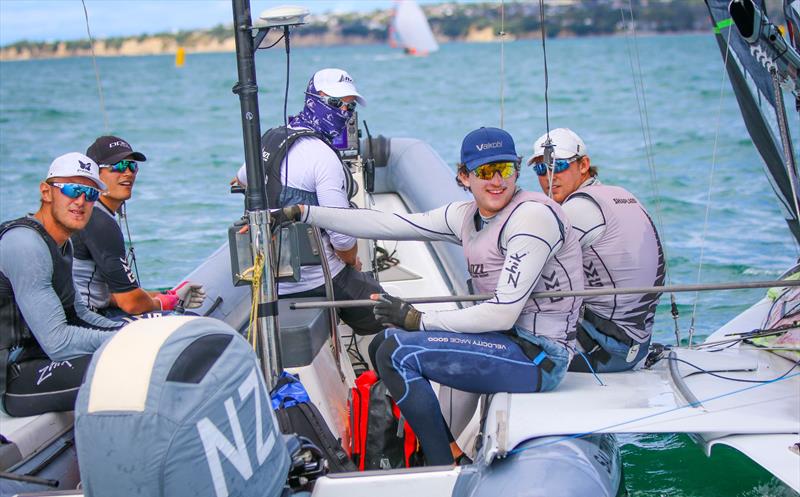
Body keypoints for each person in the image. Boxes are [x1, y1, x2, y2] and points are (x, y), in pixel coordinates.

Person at [273, 127, 584, 466]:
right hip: (506, 341)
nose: (496, 181)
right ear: (464, 176)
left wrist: (418, 320)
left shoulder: (532, 217)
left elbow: (502, 314)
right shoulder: (465, 217)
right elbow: (387, 223)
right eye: (484, 172)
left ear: (516, 170)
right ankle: (448, 449)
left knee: (396, 351)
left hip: (540, 357)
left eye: (505, 169)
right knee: (381, 345)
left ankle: (442, 465)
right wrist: (304, 213)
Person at [235, 68, 383, 336]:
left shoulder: (271, 138)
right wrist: (353, 262)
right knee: (388, 314)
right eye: (336, 103)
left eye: (349, 106)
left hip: (270, 280)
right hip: (319, 280)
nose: (344, 112)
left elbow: (243, 177)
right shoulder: (322, 156)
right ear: (313, 99)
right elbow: (342, 238)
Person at [531, 128, 665, 373]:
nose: (549, 177)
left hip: (604, 351)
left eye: (558, 165)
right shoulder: (622, 195)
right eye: (541, 169)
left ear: (584, 165)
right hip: (638, 347)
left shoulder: (576, 209)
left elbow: (525, 267)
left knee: (494, 336)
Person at [0, 153, 123, 417]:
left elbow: (79, 315)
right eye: (71, 189)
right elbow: (59, 342)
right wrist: (124, 341)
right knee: (130, 366)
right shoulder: (25, 244)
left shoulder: (60, 243)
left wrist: (135, 330)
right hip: (9, 380)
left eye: (90, 194)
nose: (81, 201)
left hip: (32, 359)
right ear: (46, 192)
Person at [71, 136, 206, 318]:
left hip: (85, 311)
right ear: (94, 175)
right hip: (85, 320)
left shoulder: (90, 211)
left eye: (132, 166)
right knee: (190, 321)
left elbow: (111, 296)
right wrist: (170, 302)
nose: (127, 173)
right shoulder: (99, 222)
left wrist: (168, 295)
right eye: (118, 166)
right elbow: (131, 304)